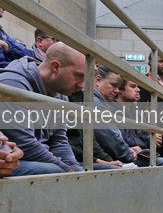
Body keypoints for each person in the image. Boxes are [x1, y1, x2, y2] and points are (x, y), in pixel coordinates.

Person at [0, 42, 85, 175]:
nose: (82, 85)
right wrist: (69, 172)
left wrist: (75, 171)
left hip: (34, 158)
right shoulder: (13, 84)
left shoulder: (61, 95)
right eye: (79, 76)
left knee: (89, 171)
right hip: (16, 158)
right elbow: (25, 145)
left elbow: (59, 141)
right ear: (55, 67)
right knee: (55, 171)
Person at [115, 77, 163, 167]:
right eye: (133, 86)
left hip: (140, 154)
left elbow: (147, 136)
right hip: (122, 156)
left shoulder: (138, 113)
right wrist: (150, 138)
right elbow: (121, 139)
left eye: (138, 86)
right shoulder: (112, 111)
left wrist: (150, 138)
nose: (138, 90)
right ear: (120, 90)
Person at [92, 65, 136, 165]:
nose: (117, 91)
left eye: (118, 87)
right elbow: (109, 138)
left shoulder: (101, 103)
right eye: (113, 85)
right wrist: (129, 154)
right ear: (98, 80)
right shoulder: (95, 103)